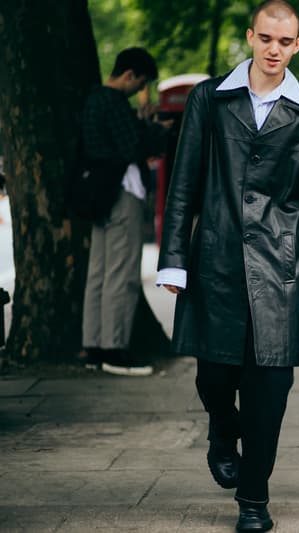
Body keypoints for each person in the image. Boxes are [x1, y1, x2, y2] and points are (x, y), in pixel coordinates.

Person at [156, 1, 299, 531]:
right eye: (266, 39)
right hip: (214, 261)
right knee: (214, 377)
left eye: (285, 42)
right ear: (250, 37)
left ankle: (253, 502)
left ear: (297, 45)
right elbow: (183, 183)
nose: (274, 50)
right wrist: (172, 260)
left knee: (270, 391)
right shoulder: (209, 100)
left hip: (279, 269)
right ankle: (221, 428)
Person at [80, 47, 168, 376]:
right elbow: (133, 147)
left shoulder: (92, 99)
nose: (139, 90)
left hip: (99, 195)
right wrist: (152, 126)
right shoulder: (114, 103)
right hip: (122, 192)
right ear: (130, 74)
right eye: (140, 82)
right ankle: (115, 350)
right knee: (122, 275)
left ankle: (92, 346)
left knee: (98, 274)